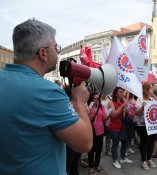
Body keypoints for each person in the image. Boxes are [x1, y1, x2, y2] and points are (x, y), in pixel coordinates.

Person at [0, 19, 93, 174]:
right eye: (56, 47)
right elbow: (85, 143)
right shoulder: (47, 92)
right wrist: (79, 101)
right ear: (43, 53)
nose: (58, 52)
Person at [108, 87, 133, 169]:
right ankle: (115, 160)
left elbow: (128, 111)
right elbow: (113, 115)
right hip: (114, 126)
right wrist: (122, 107)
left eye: (123, 92)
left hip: (123, 126)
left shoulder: (123, 101)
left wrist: (126, 106)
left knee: (125, 142)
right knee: (115, 144)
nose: (122, 93)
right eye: (120, 92)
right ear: (116, 93)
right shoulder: (111, 102)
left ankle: (123, 158)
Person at [135, 82, 156, 170]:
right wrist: (142, 107)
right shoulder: (140, 99)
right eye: (151, 88)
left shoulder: (152, 99)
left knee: (151, 142)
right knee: (144, 143)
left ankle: (149, 159)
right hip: (143, 125)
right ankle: (143, 160)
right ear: (146, 90)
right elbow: (136, 113)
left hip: (152, 124)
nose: (152, 90)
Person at [88, 91, 108, 175]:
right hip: (91, 130)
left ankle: (97, 164)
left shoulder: (101, 106)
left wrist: (107, 114)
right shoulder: (89, 106)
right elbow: (87, 120)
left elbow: (104, 118)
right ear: (91, 98)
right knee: (91, 150)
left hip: (100, 130)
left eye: (98, 98)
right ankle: (91, 167)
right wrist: (93, 114)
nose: (96, 100)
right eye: (95, 98)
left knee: (99, 149)